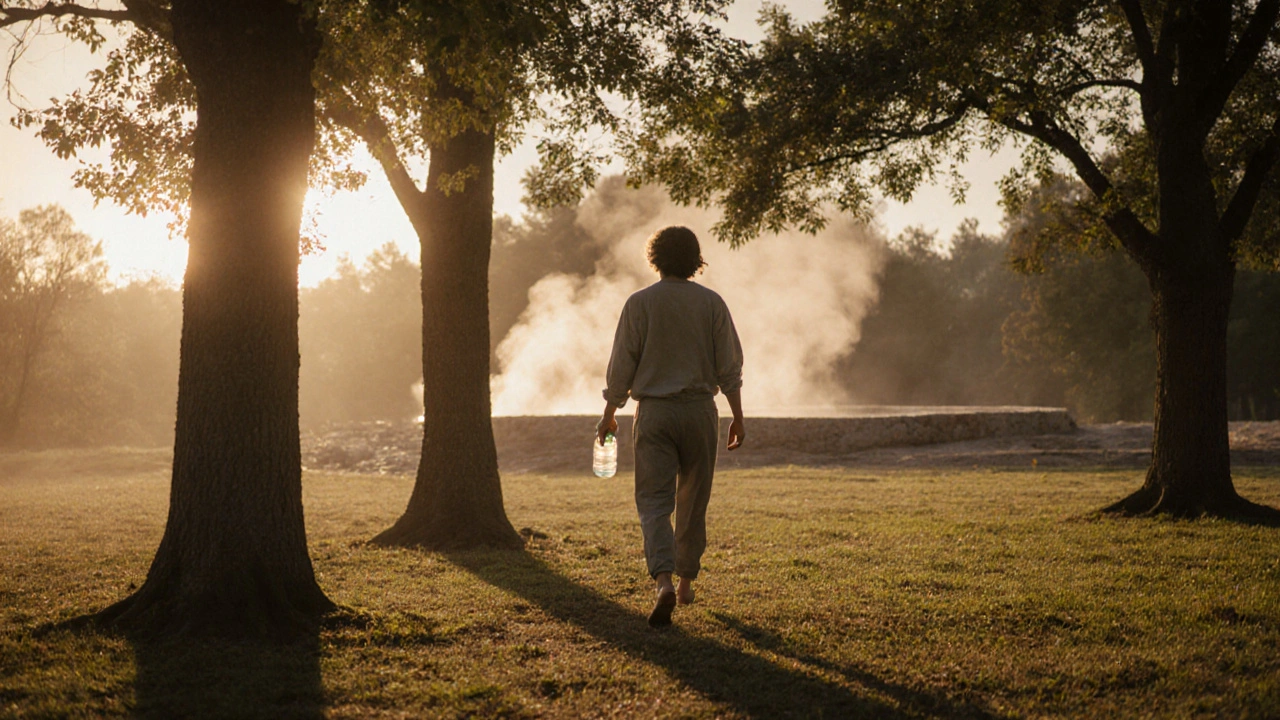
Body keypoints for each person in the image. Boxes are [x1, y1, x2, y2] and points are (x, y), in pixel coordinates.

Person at [597, 225, 745, 628]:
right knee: (693, 499)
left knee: (654, 501)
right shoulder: (712, 303)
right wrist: (737, 415)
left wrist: (610, 412)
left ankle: (662, 579)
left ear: (655, 258)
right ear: (695, 259)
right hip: (700, 411)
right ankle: (685, 583)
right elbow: (729, 366)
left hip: (655, 413)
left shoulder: (639, 303)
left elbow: (622, 363)